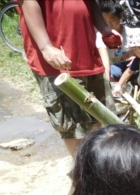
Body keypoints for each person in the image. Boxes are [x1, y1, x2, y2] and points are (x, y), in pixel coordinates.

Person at [18, 0, 119, 157]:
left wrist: (104, 28)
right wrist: (46, 47)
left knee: (101, 118)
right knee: (73, 127)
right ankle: (85, 174)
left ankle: (101, 166)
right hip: (57, 59)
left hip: (88, 54)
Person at [95, 0, 135, 82]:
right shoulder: (100, 36)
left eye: (112, 20)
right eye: (105, 21)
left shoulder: (131, 33)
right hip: (115, 67)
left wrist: (136, 58)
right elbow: (105, 60)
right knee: (112, 71)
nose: (109, 24)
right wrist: (107, 81)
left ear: (120, 16)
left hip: (132, 66)